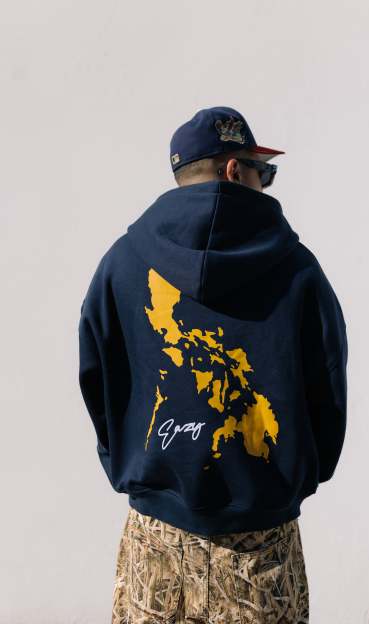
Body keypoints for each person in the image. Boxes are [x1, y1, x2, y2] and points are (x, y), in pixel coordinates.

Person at [78, 105, 348, 623]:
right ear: (234, 170)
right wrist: (287, 484)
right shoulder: (298, 271)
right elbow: (328, 387)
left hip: (155, 546)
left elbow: (97, 378)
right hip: (260, 550)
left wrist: (140, 473)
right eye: (264, 172)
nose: (266, 184)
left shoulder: (121, 264)